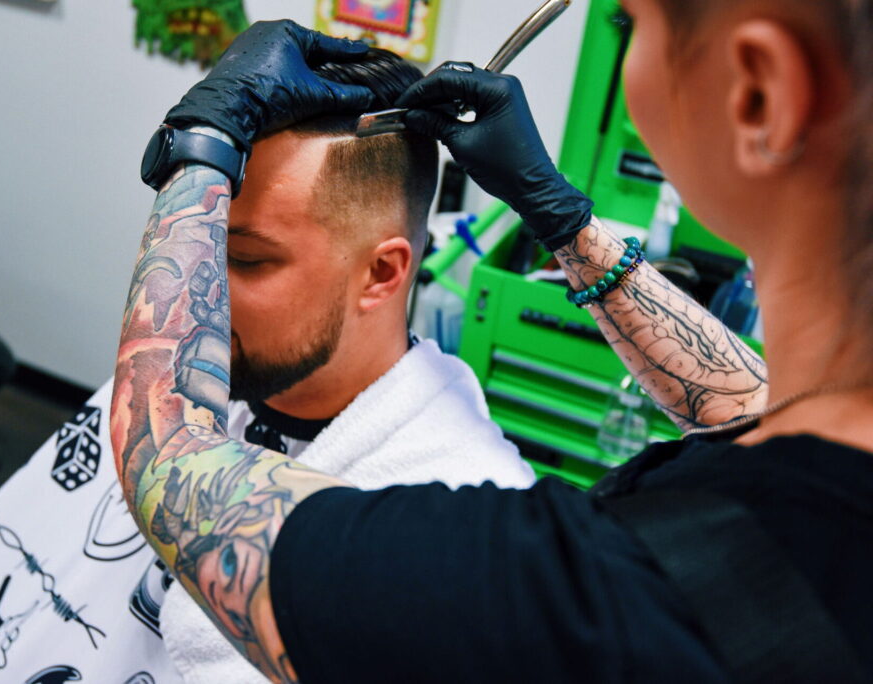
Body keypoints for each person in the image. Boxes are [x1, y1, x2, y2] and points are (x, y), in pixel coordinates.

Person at [114, 3, 872, 681]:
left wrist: (201, 144)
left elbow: (164, 455)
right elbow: (757, 414)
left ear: (759, 91)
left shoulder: (556, 601)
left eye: (629, 25)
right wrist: (562, 219)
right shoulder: (832, 485)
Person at [141, 48, 536, 684]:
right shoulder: (201, 369)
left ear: (381, 273)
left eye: (244, 259)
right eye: (193, 243)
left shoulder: (468, 527)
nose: (189, 290)